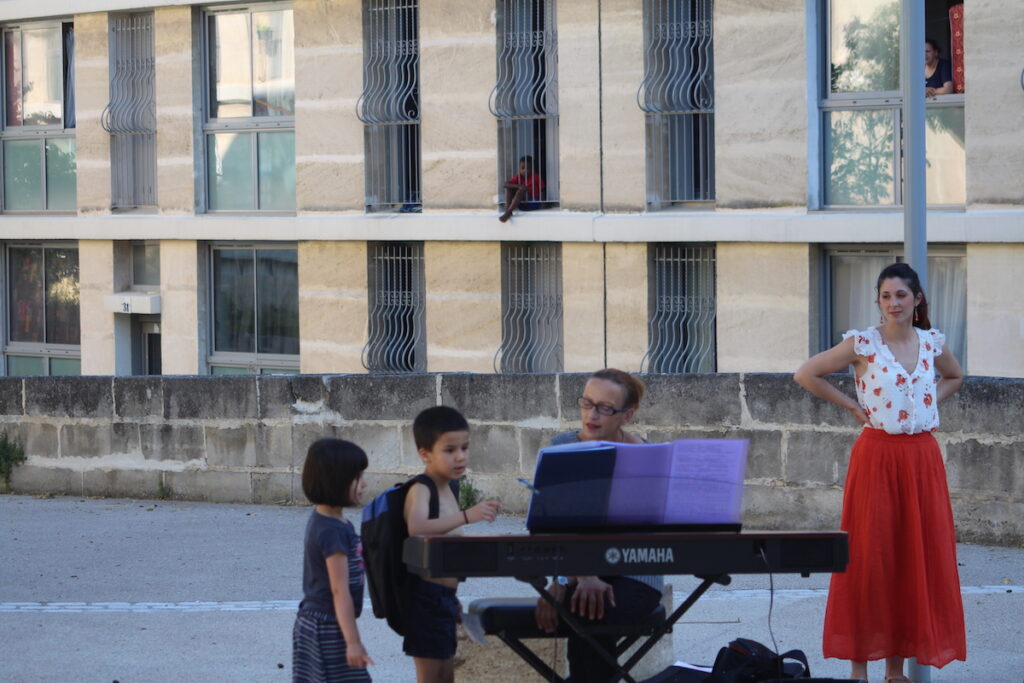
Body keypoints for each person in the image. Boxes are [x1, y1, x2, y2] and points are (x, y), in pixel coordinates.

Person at [793, 263, 966, 683]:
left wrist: (927, 402)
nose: (893, 303)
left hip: (922, 459)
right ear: (878, 300)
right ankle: (859, 669)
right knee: (872, 558)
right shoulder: (863, 343)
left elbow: (955, 376)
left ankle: (895, 670)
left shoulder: (930, 342)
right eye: (886, 296)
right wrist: (852, 407)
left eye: (901, 296)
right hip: (877, 457)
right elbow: (806, 374)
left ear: (917, 299)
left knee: (912, 557)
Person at [534, 368, 663, 682]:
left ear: (627, 415)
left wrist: (584, 576)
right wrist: (568, 579)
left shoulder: (648, 456)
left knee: (592, 609)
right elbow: (552, 527)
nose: (591, 414)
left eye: (605, 408)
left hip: (636, 571)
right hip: (579, 570)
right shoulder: (561, 448)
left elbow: (643, 534)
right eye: (587, 403)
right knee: (585, 606)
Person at [403, 406, 501, 683]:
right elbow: (417, 526)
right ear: (425, 454)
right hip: (424, 600)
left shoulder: (449, 487)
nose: (460, 457)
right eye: (449, 450)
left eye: (465, 448)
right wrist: (469, 516)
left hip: (445, 600)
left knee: (446, 676)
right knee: (432, 677)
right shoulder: (422, 488)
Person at [292, 438, 374, 682]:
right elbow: (340, 591)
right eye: (357, 478)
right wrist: (353, 642)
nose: (364, 484)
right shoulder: (331, 530)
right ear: (336, 481)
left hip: (323, 623)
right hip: (327, 627)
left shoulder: (333, 521)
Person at [499, 155, 545, 222]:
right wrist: (518, 186)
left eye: (528, 168)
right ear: (519, 168)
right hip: (521, 205)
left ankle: (508, 212)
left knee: (522, 190)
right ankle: (508, 211)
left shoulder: (536, 177)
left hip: (533, 203)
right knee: (509, 188)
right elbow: (505, 184)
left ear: (532, 168)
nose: (525, 170)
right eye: (522, 168)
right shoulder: (519, 177)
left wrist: (543, 203)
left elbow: (542, 190)